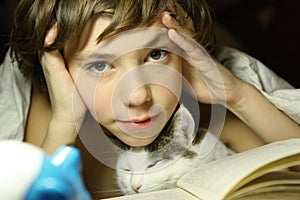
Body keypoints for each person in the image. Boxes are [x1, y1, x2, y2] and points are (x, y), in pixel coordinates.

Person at [1, 0, 299, 198]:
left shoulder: (212, 107)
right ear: (61, 68)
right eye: (100, 65)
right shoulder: (45, 111)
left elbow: (289, 178)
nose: (139, 95)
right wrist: (65, 121)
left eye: (156, 55)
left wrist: (240, 97)